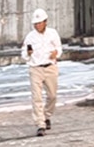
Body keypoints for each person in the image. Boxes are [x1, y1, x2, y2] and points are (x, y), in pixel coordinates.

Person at [21, 8, 62, 137]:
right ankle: (40, 124)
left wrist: (56, 53)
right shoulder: (30, 36)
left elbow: (59, 48)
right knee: (37, 97)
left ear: (45, 22)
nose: (37, 25)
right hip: (35, 68)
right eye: (35, 23)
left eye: (39, 23)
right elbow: (23, 53)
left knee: (52, 96)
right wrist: (27, 54)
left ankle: (47, 115)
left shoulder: (53, 33)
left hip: (50, 66)